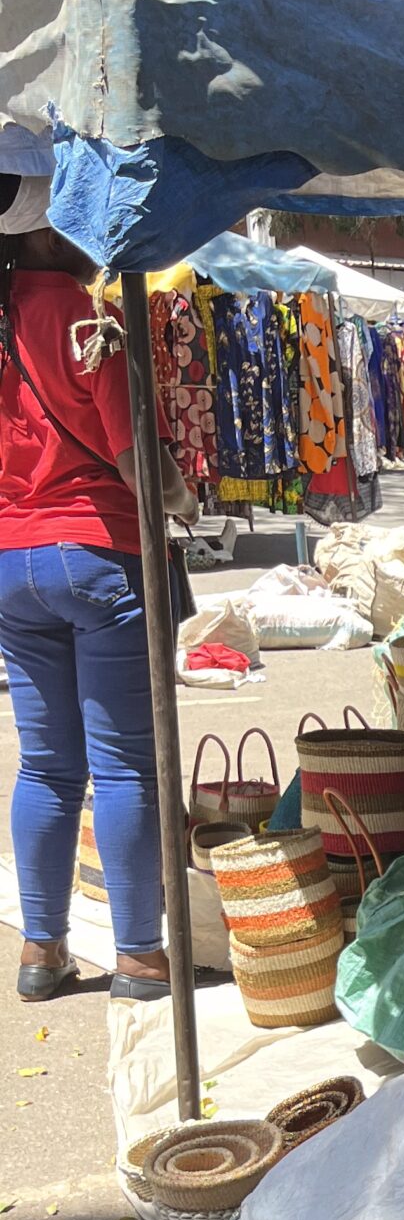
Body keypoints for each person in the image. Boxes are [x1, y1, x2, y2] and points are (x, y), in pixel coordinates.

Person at [0, 174, 194, 1003]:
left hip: (10, 563)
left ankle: (41, 954)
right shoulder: (83, 319)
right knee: (124, 769)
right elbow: (136, 460)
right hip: (96, 552)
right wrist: (184, 495)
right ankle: (141, 958)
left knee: (46, 767)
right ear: (49, 233)